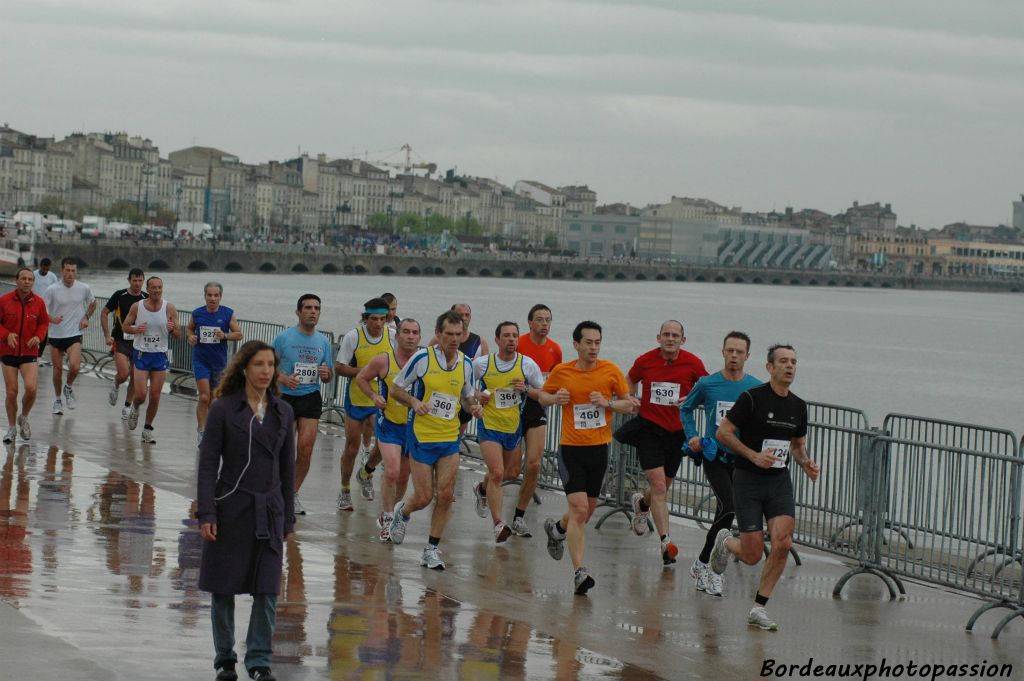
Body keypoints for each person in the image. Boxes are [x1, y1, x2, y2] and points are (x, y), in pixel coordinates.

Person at [197, 340, 295, 681]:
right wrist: (207, 513)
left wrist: (288, 516)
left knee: (267, 589)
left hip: (269, 509)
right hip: (230, 508)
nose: (266, 371)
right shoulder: (224, 408)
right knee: (223, 587)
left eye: (270, 365)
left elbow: (288, 469)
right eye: (259, 364)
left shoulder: (283, 412)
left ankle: (259, 660)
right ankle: (225, 657)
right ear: (244, 368)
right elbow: (208, 463)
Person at [709, 344, 820, 631]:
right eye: (783, 361)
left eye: (794, 362)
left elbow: (797, 446)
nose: (790, 366)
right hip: (748, 480)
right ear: (770, 367)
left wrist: (806, 462)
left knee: (783, 544)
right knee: (752, 554)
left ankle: (759, 607)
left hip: (779, 482)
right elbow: (723, 432)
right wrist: (753, 455)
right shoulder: (752, 398)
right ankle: (725, 543)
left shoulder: (798, 405)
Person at [540, 321, 637, 595]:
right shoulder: (563, 371)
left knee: (585, 513)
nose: (593, 347)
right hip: (571, 449)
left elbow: (629, 404)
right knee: (580, 510)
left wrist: (607, 404)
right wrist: (555, 397)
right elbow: (543, 396)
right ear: (576, 345)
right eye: (589, 342)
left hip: (599, 450)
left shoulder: (610, 371)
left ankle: (557, 530)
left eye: (597, 342)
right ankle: (580, 572)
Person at [388, 310, 483, 570]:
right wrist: (415, 402)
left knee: (446, 494)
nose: (453, 339)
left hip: (450, 437)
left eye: (458, 334)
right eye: (448, 334)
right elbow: (395, 389)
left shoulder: (465, 364)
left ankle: (431, 549)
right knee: (423, 497)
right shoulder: (422, 359)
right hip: (421, 435)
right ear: (438, 334)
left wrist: (474, 406)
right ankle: (402, 512)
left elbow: (466, 396)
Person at [680, 331, 762, 596]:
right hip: (714, 456)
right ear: (723, 352)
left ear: (747, 356)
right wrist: (692, 435)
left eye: (739, 352)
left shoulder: (755, 388)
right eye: (730, 351)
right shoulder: (707, 384)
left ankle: (702, 563)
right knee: (729, 507)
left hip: (741, 459)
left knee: (724, 513)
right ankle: (714, 570)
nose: (734, 356)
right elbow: (686, 408)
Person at [625, 320, 707, 565]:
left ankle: (641, 505)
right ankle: (665, 542)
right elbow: (629, 379)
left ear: (683, 340)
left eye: (675, 335)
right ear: (658, 337)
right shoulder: (645, 360)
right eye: (666, 335)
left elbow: (707, 391)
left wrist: (691, 400)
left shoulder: (693, 363)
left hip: (677, 433)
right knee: (659, 486)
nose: (670, 339)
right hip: (649, 429)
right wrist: (630, 398)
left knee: (663, 486)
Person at [471, 321, 547, 543]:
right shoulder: (482, 364)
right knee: (496, 472)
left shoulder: (527, 365)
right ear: (497, 340)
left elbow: (541, 393)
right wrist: (477, 396)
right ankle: (498, 524)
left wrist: (526, 389)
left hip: (513, 426)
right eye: (506, 335)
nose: (512, 339)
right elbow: (464, 387)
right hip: (489, 425)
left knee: (511, 474)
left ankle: (482, 488)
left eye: (515, 335)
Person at [353, 318, 421, 541]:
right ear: (397, 336)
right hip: (388, 423)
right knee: (391, 471)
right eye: (406, 332)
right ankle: (388, 518)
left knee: (403, 477)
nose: (411, 336)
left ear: (420, 338)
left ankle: (390, 508)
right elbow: (362, 377)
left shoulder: (424, 362)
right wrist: (374, 396)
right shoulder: (384, 361)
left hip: (413, 428)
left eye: (415, 333)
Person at [271, 294, 333, 515]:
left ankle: (292, 494)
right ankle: (274, 488)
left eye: (316, 308)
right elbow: (268, 367)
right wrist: (284, 378)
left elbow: (328, 375)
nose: (313, 312)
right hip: (285, 397)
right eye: (307, 307)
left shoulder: (323, 342)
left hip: (310, 397)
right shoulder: (283, 338)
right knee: (283, 448)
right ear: (298, 312)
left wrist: (326, 374)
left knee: (305, 449)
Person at [334, 298, 393, 511]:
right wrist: (366, 372)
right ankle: (344, 490)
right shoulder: (353, 337)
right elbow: (339, 368)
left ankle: (366, 471)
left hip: (382, 399)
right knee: (351, 447)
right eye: (374, 319)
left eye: (383, 319)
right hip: (357, 398)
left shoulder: (393, 336)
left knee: (383, 445)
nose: (379, 323)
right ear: (366, 318)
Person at [512, 303, 562, 537]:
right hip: (512, 405)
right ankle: (482, 487)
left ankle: (518, 517)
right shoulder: (518, 343)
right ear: (530, 323)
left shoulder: (555, 350)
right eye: (540, 320)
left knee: (534, 463)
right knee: (511, 471)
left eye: (548, 320)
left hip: (537, 407)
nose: (544, 324)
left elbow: (555, 380)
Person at [122, 276, 181, 443]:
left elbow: (178, 335)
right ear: (147, 290)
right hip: (141, 353)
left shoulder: (169, 308)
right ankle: (135, 407)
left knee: (155, 396)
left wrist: (172, 329)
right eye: (153, 288)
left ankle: (147, 429)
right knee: (141, 395)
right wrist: (135, 329)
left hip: (160, 356)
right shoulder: (137, 306)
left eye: (159, 287)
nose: (156, 290)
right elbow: (125, 326)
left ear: (163, 288)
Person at [188, 282, 243, 446]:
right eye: (209, 295)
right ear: (204, 295)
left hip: (219, 363)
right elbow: (190, 329)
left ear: (220, 296)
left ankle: (213, 430)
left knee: (215, 401)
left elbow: (239, 334)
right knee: (204, 397)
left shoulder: (228, 314)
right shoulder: (197, 313)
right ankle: (202, 431)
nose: (212, 298)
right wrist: (190, 337)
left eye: (216, 295)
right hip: (200, 360)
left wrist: (224, 335)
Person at [41, 258, 96, 415]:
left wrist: (86, 318)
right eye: (67, 270)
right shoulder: (52, 289)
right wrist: (52, 319)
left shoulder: (84, 288)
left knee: (75, 366)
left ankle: (68, 387)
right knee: (57, 371)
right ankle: (58, 400)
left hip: (74, 333)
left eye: (73, 271)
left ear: (76, 271)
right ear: (62, 271)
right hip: (56, 335)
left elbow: (93, 303)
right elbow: (42, 309)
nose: (70, 274)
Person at [0, 268, 48, 443]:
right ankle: (12, 429)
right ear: (17, 280)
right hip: (8, 351)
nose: (27, 281)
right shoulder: (4, 301)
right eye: (23, 278)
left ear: (33, 282)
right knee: (12, 392)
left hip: (29, 350)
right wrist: (6, 334)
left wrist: (38, 337)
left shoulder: (39, 302)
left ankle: (24, 417)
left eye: (30, 279)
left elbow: (44, 323)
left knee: (31, 388)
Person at [100, 268, 147, 420]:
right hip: (120, 339)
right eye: (135, 280)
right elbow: (104, 313)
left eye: (140, 281)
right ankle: (116, 383)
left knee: (135, 376)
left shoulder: (146, 298)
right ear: (129, 280)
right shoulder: (120, 295)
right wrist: (107, 335)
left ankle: (127, 406)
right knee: (124, 373)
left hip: (139, 342)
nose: (137, 284)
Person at [31, 258, 58, 366]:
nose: (45, 271)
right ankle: (30, 353)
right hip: (32, 305)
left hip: (46, 308)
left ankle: (39, 357)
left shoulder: (52, 277)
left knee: (44, 332)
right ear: (40, 266)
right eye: (44, 269)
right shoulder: (33, 275)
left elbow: (56, 290)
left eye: (47, 269)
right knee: (31, 330)